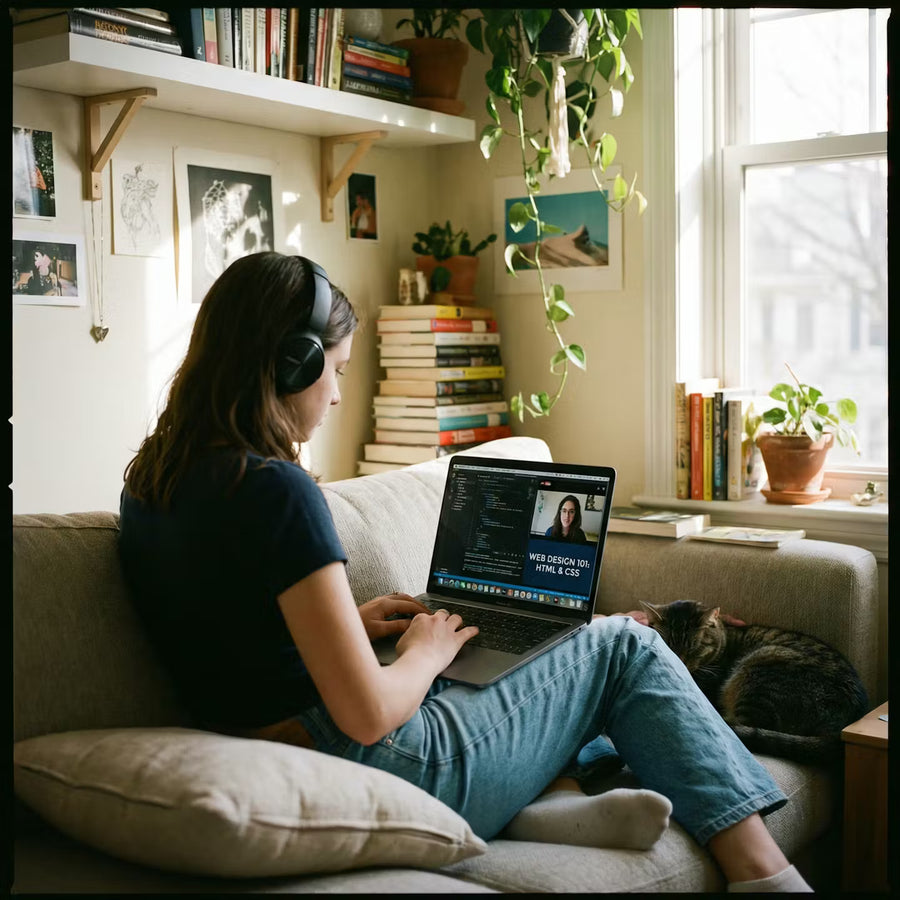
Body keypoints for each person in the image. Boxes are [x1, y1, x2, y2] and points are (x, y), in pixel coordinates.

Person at [118, 251, 811, 892]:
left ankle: (548, 802)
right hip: (370, 759)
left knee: (533, 649)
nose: (335, 395)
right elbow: (367, 716)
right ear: (295, 363)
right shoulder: (277, 490)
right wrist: (424, 653)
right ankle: (765, 872)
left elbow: (226, 631)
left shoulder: (151, 482)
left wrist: (349, 623)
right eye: (337, 368)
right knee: (623, 644)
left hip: (273, 744)